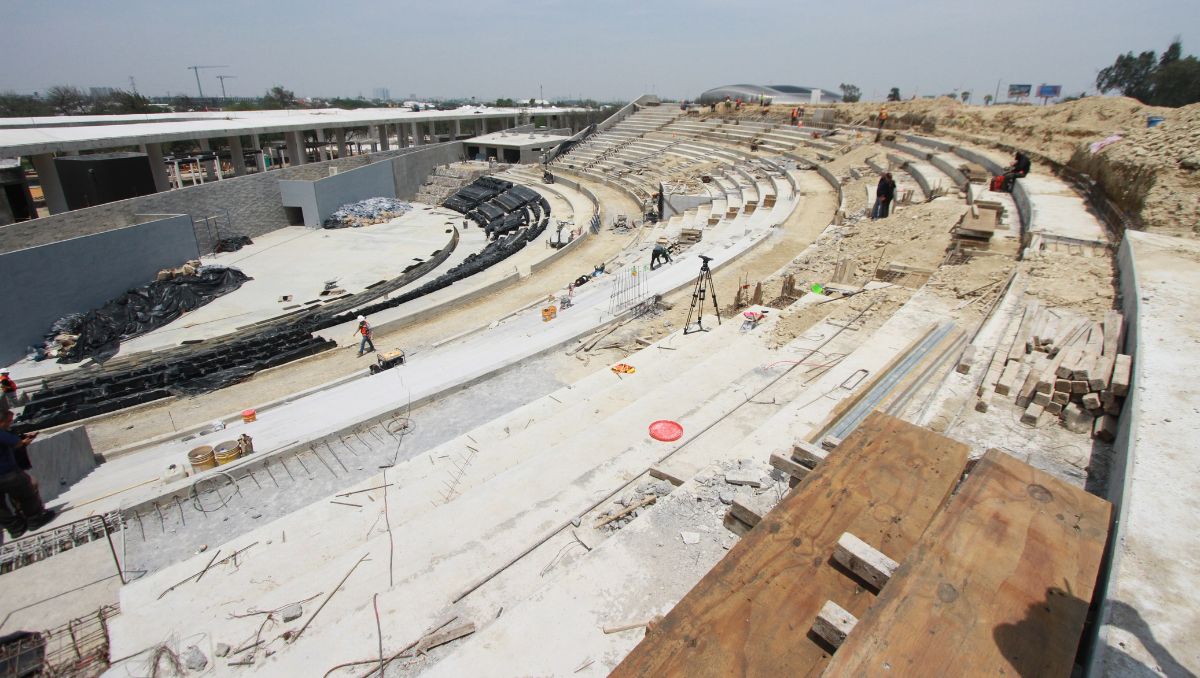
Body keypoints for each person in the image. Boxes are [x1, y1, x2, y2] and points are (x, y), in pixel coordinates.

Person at [0, 410, 54, 539]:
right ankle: (35, 520)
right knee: (27, 494)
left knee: (1, 507)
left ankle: (15, 529)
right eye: (8, 421)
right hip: (7, 473)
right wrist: (24, 441)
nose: (10, 423)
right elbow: (16, 443)